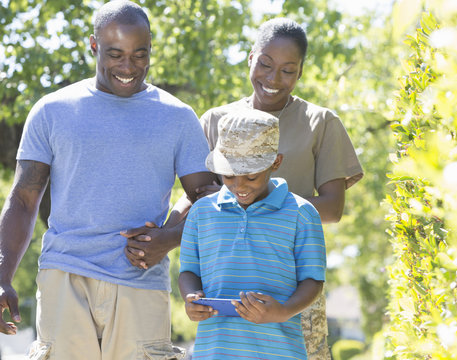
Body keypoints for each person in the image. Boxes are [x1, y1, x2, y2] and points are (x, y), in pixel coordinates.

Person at [0, 1, 216, 359]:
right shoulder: (52, 110)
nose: (129, 67)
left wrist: (169, 239)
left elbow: (208, 198)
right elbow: (23, 199)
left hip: (141, 281)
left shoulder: (178, 117)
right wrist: (3, 272)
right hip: (64, 275)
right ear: (94, 45)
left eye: (140, 55)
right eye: (115, 54)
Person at [195, 18, 364, 359]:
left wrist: (265, 206)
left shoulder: (320, 123)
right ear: (250, 58)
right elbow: (200, 200)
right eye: (265, 65)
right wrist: (162, 234)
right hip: (228, 279)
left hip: (293, 280)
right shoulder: (217, 120)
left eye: (288, 70)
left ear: (300, 72)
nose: (273, 79)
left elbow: (332, 208)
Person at [178, 109, 326, 360]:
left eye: (251, 177)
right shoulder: (201, 213)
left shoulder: (302, 214)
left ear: (275, 162)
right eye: (228, 176)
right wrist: (191, 298)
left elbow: (313, 280)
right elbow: (189, 271)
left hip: (279, 351)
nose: (239, 186)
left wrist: (283, 311)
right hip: (215, 351)